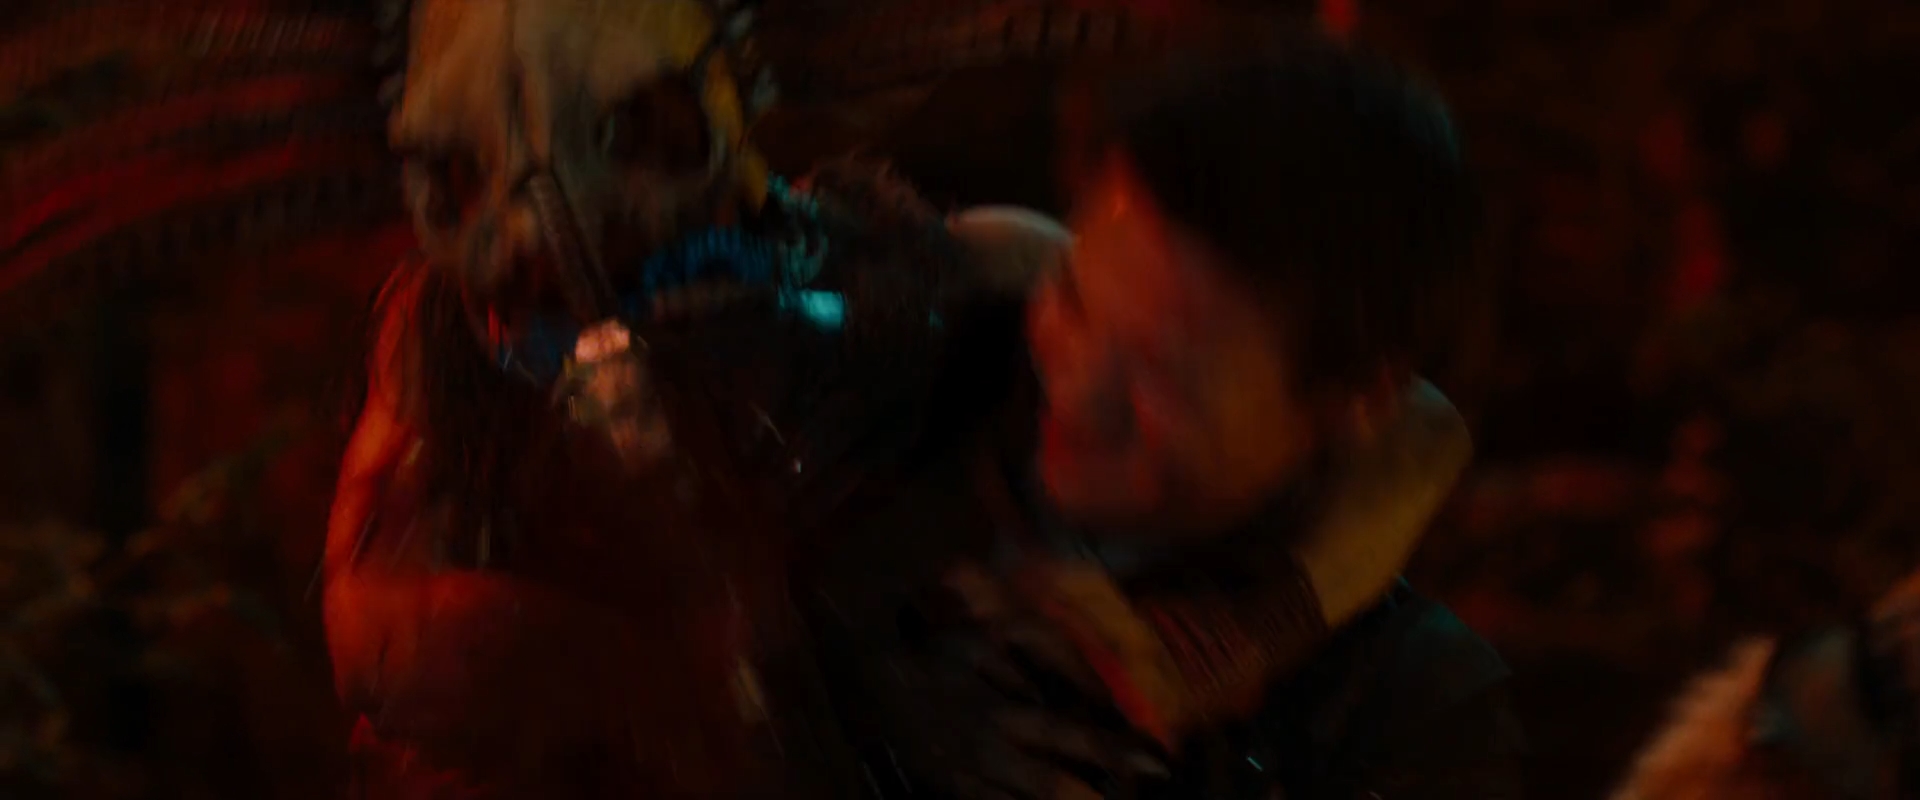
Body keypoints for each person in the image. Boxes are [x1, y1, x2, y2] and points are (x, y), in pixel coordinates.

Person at [819, 31, 1527, 799]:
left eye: (1164, 373)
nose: (1077, 390)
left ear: (1358, 400)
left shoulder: (1405, 719)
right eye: (1074, 300)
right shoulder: (864, 395)